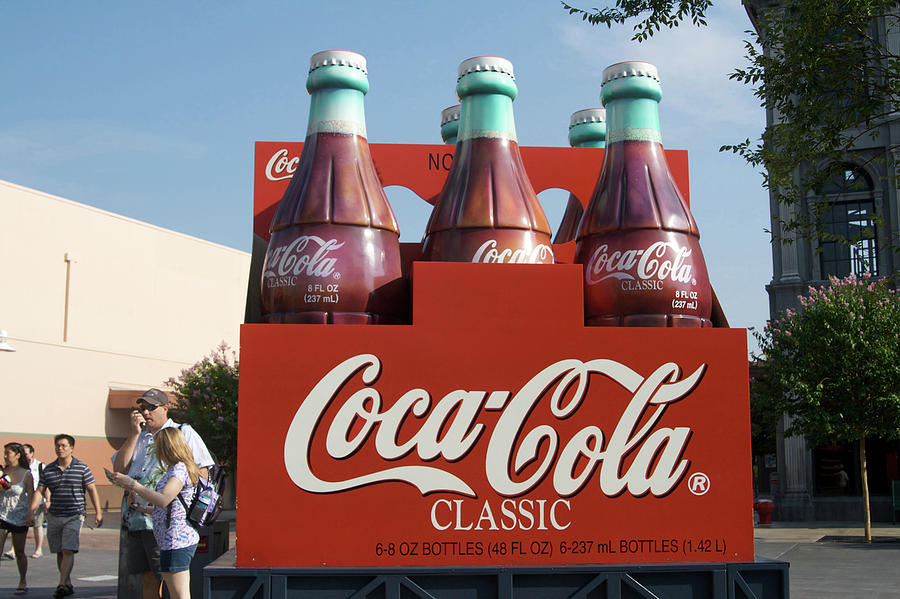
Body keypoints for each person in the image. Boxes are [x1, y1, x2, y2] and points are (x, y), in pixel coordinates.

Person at [112, 388, 213, 599]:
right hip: (139, 518)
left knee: (173, 584)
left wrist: (188, 507)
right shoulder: (139, 436)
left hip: (170, 527)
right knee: (148, 578)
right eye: (142, 408)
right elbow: (119, 469)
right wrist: (133, 434)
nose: (145, 412)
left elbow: (202, 473)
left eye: (151, 407)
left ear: (165, 408)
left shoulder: (180, 433)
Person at [109, 428, 201, 599]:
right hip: (170, 540)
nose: (156, 451)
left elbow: (164, 499)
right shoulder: (175, 469)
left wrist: (134, 484)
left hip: (176, 540)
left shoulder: (179, 470)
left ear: (167, 447)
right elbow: (169, 508)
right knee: (176, 592)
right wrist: (142, 508)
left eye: (158, 446)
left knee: (179, 594)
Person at [27, 434, 103, 599]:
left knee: (68, 549)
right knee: (60, 551)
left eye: (63, 446)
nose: (60, 449)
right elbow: (40, 492)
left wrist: (98, 512)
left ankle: (61, 584)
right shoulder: (49, 469)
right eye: (57, 446)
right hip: (55, 515)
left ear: (72, 448)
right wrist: (31, 511)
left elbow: (92, 489)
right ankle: (67, 583)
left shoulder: (82, 467)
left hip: (74, 514)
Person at [0, 442, 34, 595]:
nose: (6, 456)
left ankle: (23, 580)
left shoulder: (26, 474)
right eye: (4, 453)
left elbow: (32, 496)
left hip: (19, 516)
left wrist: (30, 515)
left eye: (9, 453)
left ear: (18, 455)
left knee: (19, 552)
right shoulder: (1, 471)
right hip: (2, 515)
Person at [23, 444, 46, 558]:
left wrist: (48, 500)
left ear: (32, 453)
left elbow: (46, 485)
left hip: (38, 501)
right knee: (18, 525)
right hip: (23, 501)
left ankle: (38, 549)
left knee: (37, 525)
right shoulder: (21, 467)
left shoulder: (40, 466)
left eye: (26, 453)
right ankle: (13, 549)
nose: (24, 455)